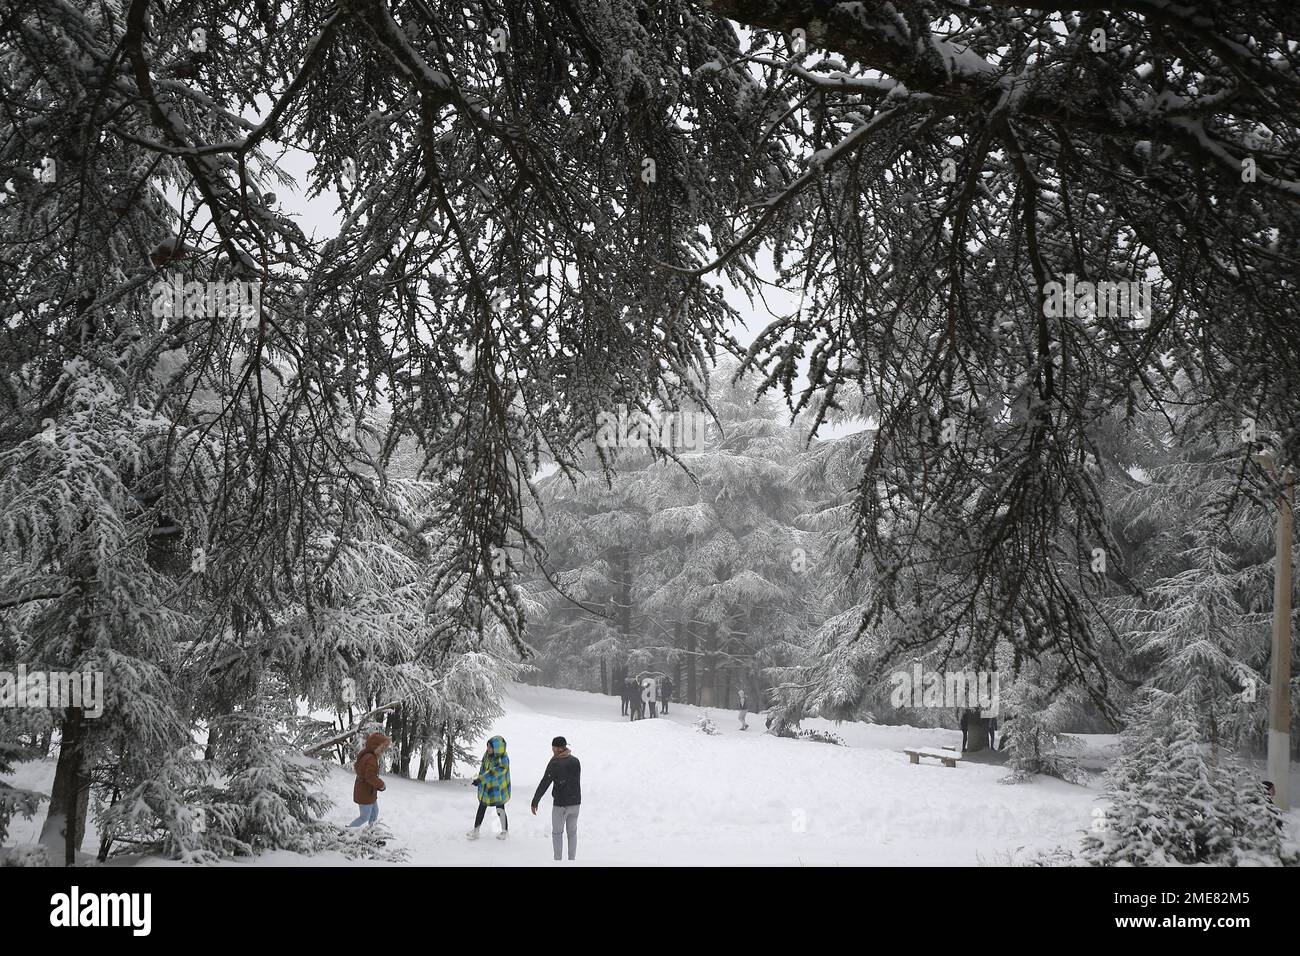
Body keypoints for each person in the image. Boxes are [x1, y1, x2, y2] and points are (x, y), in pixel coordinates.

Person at [531, 735, 582, 861]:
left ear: (558, 748)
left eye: (553, 748)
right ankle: (572, 861)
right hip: (575, 803)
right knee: (572, 833)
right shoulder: (575, 761)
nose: (552, 750)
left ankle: (558, 862)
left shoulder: (555, 763)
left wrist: (535, 801)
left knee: (557, 834)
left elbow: (545, 782)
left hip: (561, 804)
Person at [467, 735, 511, 840]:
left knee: (500, 809)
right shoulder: (487, 755)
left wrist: (480, 780)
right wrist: (479, 779)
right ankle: (476, 830)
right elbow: (483, 768)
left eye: (490, 747)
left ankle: (505, 831)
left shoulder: (503, 760)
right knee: (481, 807)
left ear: (497, 748)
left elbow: (493, 773)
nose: (488, 749)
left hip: (498, 790)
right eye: (487, 747)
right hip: (486, 788)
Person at [349, 731, 390, 827]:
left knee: (374, 813)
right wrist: (381, 785)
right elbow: (370, 776)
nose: (383, 750)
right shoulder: (370, 758)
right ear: (374, 746)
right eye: (382, 747)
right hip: (364, 793)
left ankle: (371, 835)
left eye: (384, 748)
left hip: (369, 792)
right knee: (364, 817)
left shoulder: (369, 756)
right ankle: (346, 833)